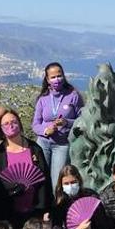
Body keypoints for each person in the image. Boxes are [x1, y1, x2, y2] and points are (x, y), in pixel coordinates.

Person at [0, 109, 53, 229]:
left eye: (14, 121)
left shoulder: (35, 149)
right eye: (6, 124)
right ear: (1, 129)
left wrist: (47, 210)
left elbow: (45, 179)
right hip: (9, 213)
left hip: (34, 211)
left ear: (20, 123)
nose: (11, 125)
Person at [32, 62, 83, 192]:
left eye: (59, 76)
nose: (57, 79)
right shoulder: (43, 99)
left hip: (62, 145)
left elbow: (82, 121)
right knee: (40, 179)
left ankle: (57, 209)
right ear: (47, 80)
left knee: (57, 183)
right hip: (43, 144)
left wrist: (67, 122)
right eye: (53, 77)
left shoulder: (73, 96)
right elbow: (35, 124)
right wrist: (45, 131)